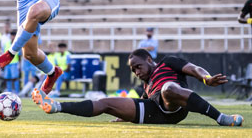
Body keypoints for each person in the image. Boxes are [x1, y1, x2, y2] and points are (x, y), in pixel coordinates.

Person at [32, 49, 244, 127]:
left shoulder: (167, 63)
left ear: (149, 60)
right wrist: (124, 114)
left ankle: (221, 118)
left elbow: (194, 68)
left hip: (174, 106)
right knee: (105, 103)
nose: (136, 72)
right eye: (133, 70)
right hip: (156, 111)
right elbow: (141, 101)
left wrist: (206, 78)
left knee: (168, 88)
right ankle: (56, 106)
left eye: (138, 67)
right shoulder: (147, 85)